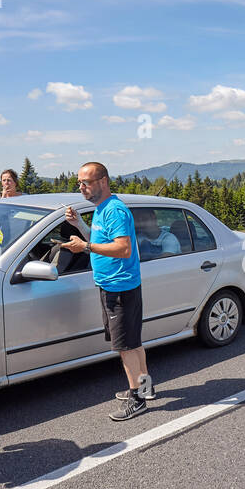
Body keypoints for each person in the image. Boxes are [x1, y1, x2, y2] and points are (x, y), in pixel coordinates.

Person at [60, 162, 154, 420]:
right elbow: (101, 240)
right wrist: (80, 225)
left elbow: (123, 249)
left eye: (86, 182)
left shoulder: (115, 211)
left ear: (102, 182)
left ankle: (137, 399)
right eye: (79, 183)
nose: (81, 187)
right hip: (114, 286)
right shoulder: (101, 209)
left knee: (125, 347)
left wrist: (86, 247)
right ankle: (146, 388)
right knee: (134, 343)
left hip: (119, 288)